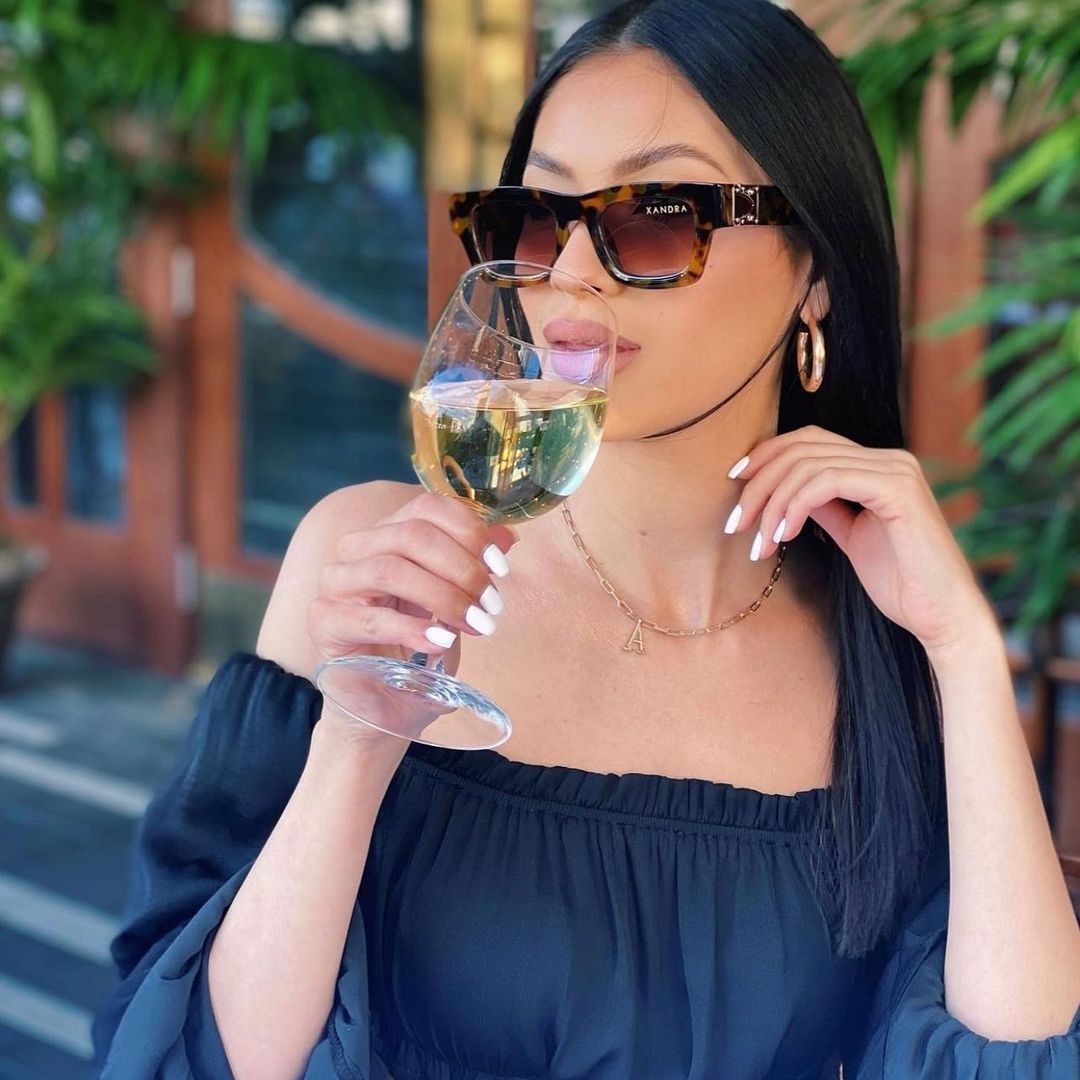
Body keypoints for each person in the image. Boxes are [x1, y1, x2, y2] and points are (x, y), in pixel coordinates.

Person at [93, 1, 1080, 1076]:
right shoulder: (370, 562)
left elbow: (1009, 1054)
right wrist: (357, 743)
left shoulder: (887, 641)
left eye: (654, 216)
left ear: (817, 274)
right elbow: (207, 1055)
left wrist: (963, 651)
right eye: (535, 219)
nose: (570, 272)